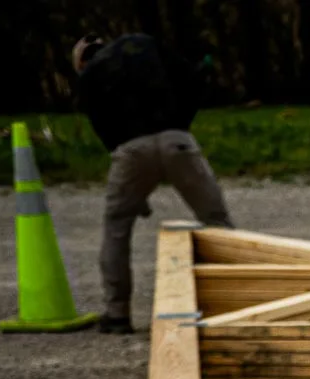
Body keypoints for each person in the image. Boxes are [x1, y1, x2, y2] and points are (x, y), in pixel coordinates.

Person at [72, 31, 234, 332]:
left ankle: (117, 312)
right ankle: (235, 301)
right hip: (178, 140)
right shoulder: (144, 47)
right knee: (217, 221)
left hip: (130, 150)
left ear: (82, 61)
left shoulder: (91, 77)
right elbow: (192, 80)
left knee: (117, 227)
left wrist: (136, 190)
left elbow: (107, 133)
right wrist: (179, 128)